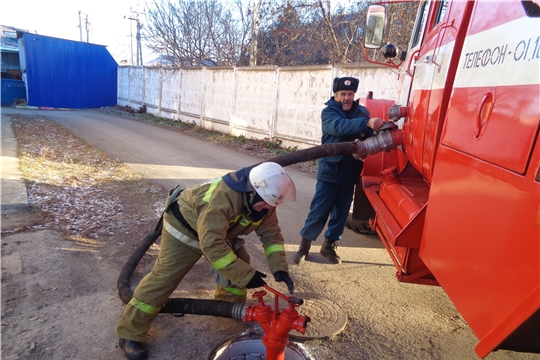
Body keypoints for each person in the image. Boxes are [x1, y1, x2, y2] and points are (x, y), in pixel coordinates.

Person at [116, 162, 296, 360]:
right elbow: (211, 245)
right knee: (165, 278)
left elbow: (272, 236)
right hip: (184, 229)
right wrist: (246, 275)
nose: (267, 209)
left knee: (239, 263)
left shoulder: (266, 201)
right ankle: (129, 333)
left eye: (271, 205)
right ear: (252, 192)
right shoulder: (223, 197)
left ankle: (228, 310)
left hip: (219, 231)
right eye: (264, 203)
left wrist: (280, 269)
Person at [293, 76, 383, 265]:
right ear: (335, 96)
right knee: (319, 211)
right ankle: (304, 246)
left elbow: (369, 135)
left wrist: (375, 134)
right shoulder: (328, 113)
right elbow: (338, 127)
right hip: (330, 172)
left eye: (350, 94)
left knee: (341, 214)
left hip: (350, 173)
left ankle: (328, 247)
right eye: (343, 94)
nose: (347, 98)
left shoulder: (362, 112)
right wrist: (365, 123)